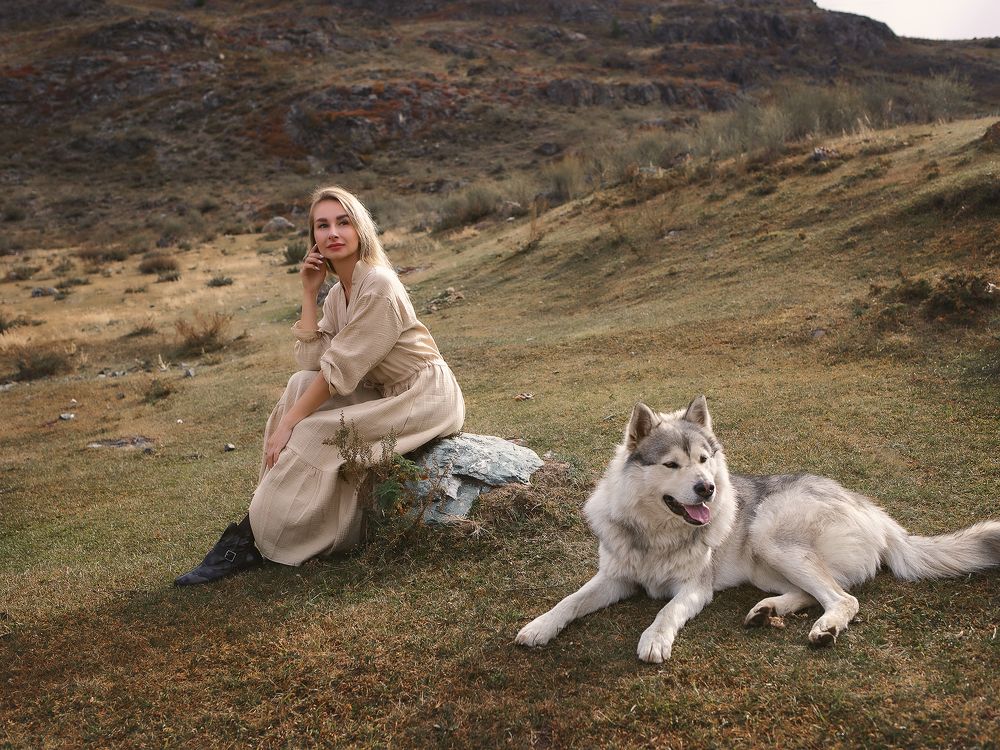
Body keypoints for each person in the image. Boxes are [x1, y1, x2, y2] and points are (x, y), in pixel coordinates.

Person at [175, 186, 465, 585]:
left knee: (310, 431)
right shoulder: (337, 295)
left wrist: (288, 425)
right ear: (313, 237)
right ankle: (259, 519)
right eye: (322, 225)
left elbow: (337, 371)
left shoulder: (379, 283)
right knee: (299, 384)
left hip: (424, 395)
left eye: (343, 222)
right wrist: (310, 291)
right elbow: (311, 361)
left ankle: (257, 539)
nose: (333, 233)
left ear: (360, 228)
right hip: (385, 390)